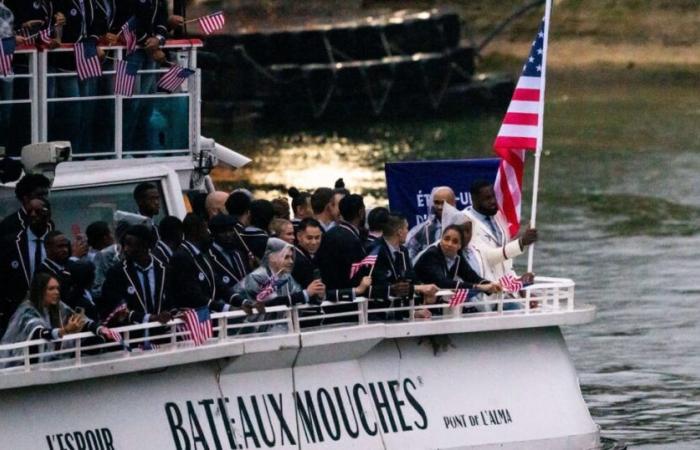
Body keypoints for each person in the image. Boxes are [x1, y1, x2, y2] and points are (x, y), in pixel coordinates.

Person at [0, 273, 105, 366]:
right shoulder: (27, 311)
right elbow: (41, 332)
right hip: (17, 364)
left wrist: (100, 329)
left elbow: (80, 319)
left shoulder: (59, 306)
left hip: (51, 361)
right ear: (40, 291)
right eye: (51, 289)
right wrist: (66, 330)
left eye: (57, 288)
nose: (56, 292)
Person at [463, 180, 537, 283]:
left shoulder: (498, 215)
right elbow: (488, 257)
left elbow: (505, 255)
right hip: (484, 290)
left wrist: (518, 282)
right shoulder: (464, 220)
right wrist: (521, 242)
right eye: (487, 198)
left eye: (494, 196)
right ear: (475, 200)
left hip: (507, 288)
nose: (493, 201)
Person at [368, 213, 438, 318]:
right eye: (407, 228)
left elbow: (412, 278)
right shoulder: (375, 251)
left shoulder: (403, 251)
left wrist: (424, 295)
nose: (407, 232)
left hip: (399, 311)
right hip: (377, 314)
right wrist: (419, 288)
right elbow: (383, 285)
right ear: (399, 232)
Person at [101, 225, 171, 326]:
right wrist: (149, 318)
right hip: (132, 334)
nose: (125, 249)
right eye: (124, 244)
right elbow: (114, 306)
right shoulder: (117, 272)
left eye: (129, 244)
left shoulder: (164, 269)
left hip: (164, 333)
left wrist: (167, 313)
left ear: (145, 245)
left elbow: (173, 300)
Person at [0, 197, 52, 331]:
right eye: (29, 212)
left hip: (51, 309)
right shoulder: (10, 243)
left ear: (48, 214)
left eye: (38, 211)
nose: (33, 215)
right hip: (17, 311)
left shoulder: (57, 243)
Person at [293, 218, 371, 303]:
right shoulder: (297, 260)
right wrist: (357, 290)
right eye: (309, 238)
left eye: (317, 237)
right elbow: (318, 294)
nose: (314, 242)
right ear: (299, 236)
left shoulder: (318, 255)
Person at [414, 224, 501, 293]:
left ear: (460, 246)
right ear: (441, 240)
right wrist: (477, 287)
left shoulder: (457, 255)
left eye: (455, 241)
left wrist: (490, 284)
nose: (449, 244)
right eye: (446, 239)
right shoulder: (431, 255)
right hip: (417, 303)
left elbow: (471, 276)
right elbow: (442, 283)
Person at [165, 213, 218, 311]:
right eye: (205, 229)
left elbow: (217, 283)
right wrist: (222, 307)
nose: (208, 233)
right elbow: (192, 294)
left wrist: (242, 302)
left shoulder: (202, 253)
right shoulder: (181, 257)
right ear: (195, 231)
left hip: (208, 312)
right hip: (196, 317)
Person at [315, 194, 367, 290]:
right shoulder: (351, 240)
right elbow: (354, 275)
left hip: (329, 293)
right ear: (361, 212)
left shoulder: (329, 233)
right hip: (349, 295)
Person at [207, 214, 249, 310]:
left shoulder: (239, 254)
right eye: (223, 232)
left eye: (230, 230)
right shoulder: (208, 256)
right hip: (225, 310)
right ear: (214, 234)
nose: (228, 235)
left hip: (246, 306)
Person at [405, 186, 456, 261]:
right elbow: (410, 256)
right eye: (436, 203)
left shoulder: (463, 225)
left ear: (452, 203)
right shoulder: (422, 230)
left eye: (443, 203)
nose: (439, 207)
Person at [0, 173, 51, 238]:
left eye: (46, 194)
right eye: (39, 195)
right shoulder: (8, 224)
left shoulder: (48, 222)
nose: (44, 198)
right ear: (26, 198)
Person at [37, 230, 75, 301]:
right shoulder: (43, 271)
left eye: (66, 246)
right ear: (48, 249)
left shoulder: (71, 265)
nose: (65, 250)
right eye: (60, 246)